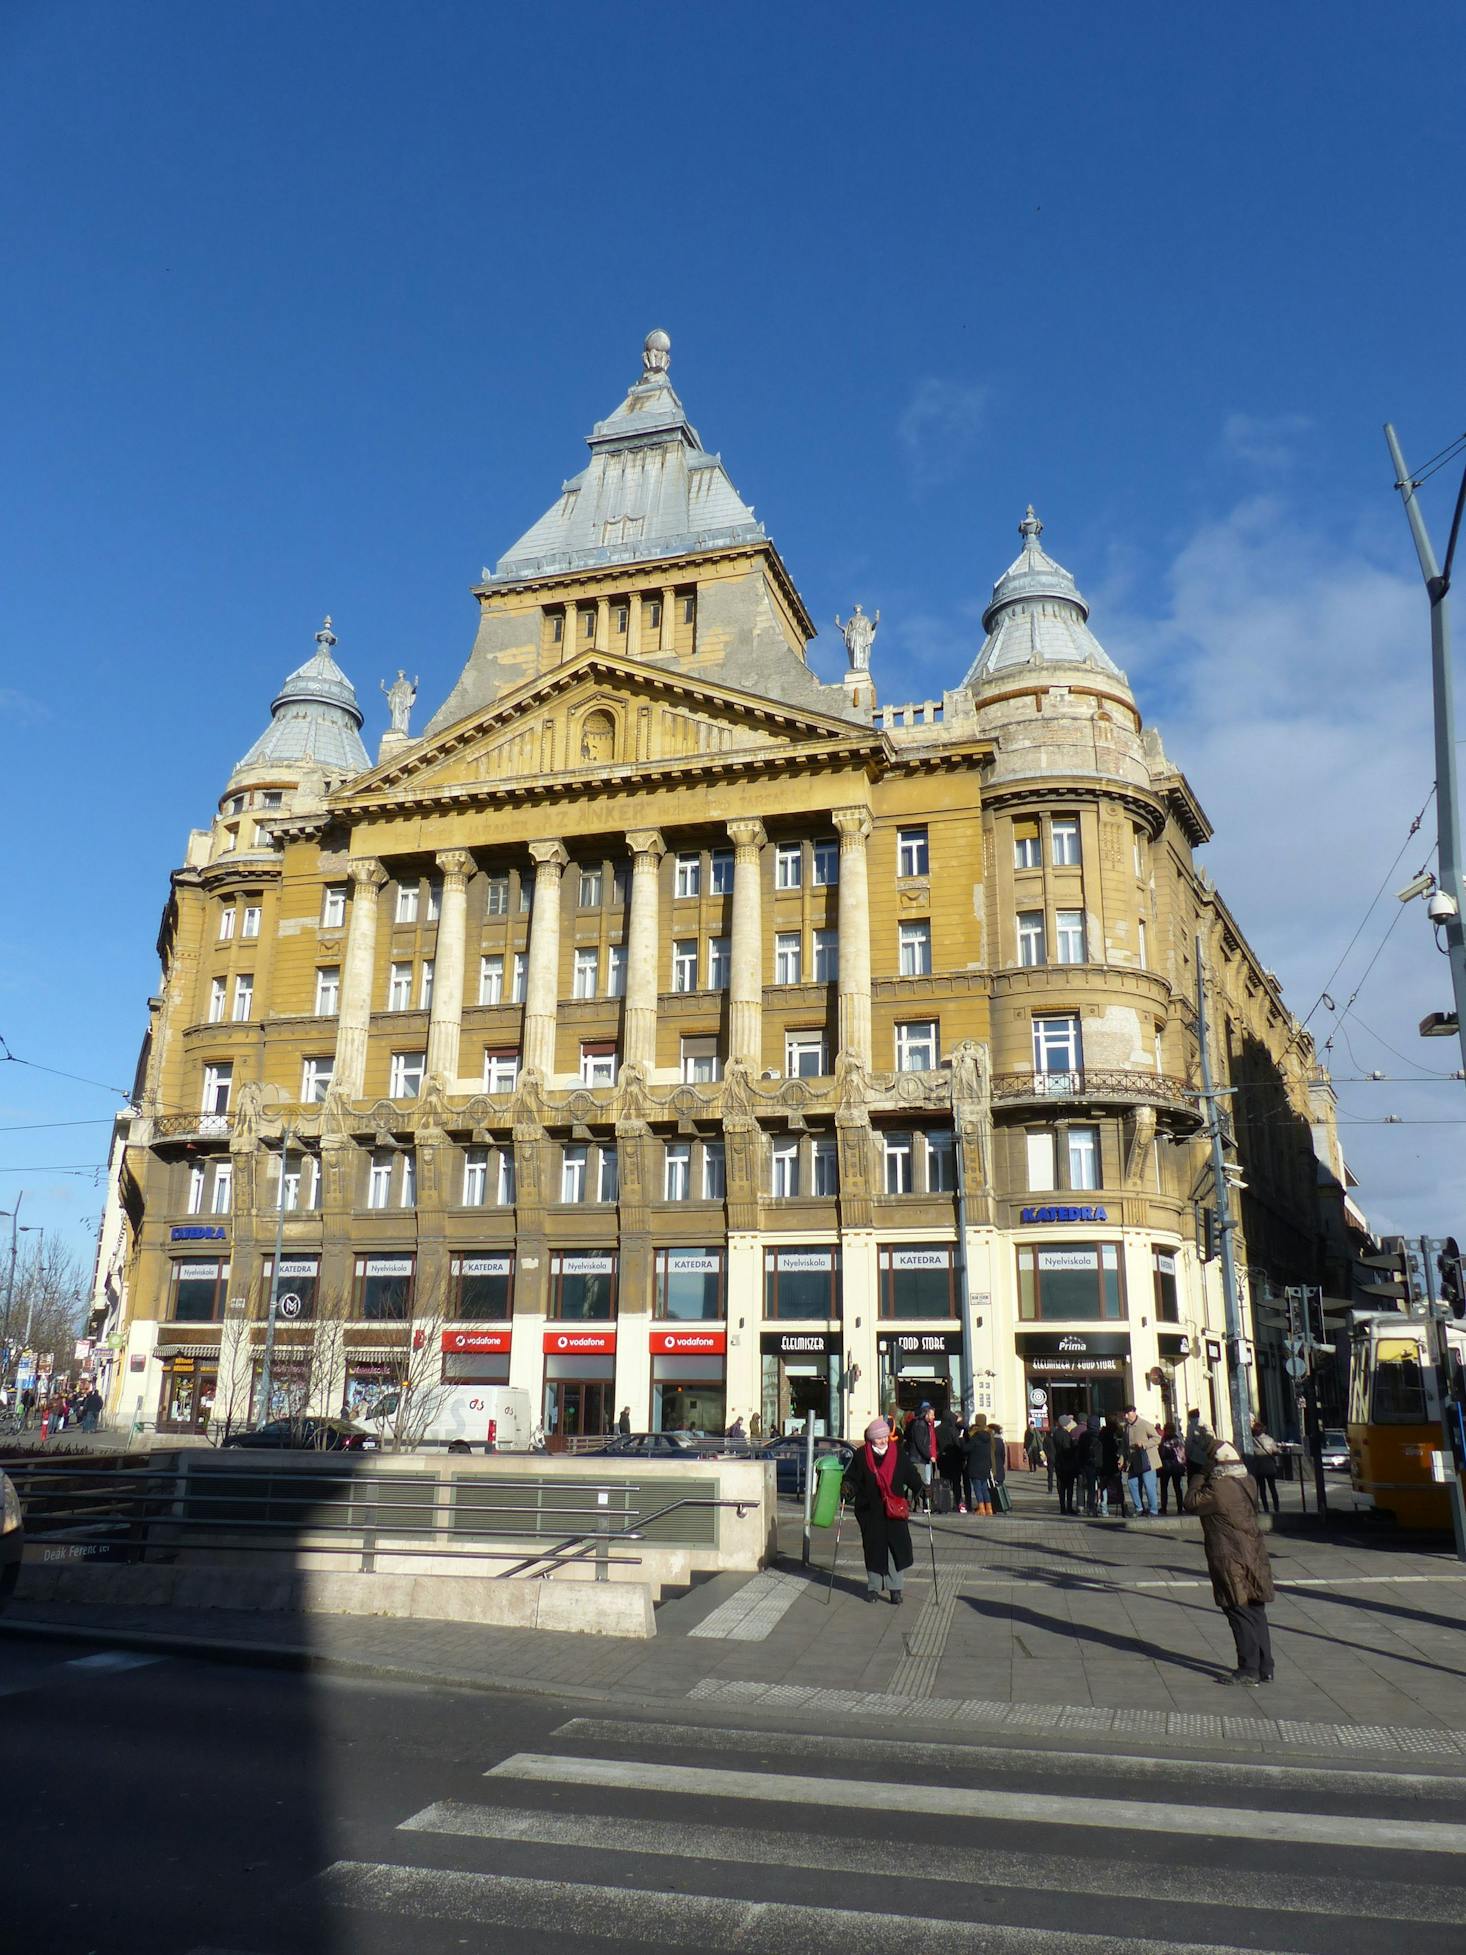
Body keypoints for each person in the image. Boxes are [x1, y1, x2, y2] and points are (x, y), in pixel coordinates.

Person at [1184, 1439, 1277, 1685]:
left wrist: (1198, 1474)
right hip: (1253, 1552)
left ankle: (1248, 1669)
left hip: (1230, 1555)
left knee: (1238, 1609)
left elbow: (1191, 1502)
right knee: (1256, 1608)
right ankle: (1265, 1666)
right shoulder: (1247, 1480)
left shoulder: (1219, 1488)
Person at [843, 1416, 923, 1605]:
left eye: (885, 1437)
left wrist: (921, 1488)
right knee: (873, 1549)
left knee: (896, 1549)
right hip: (870, 1511)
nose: (883, 1440)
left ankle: (895, 1589)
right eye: (878, 1438)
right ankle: (873, 1588)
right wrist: (847, 1488)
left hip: (894, 1510)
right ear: (871, 1439)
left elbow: (911, 1474)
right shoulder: (862, 1455)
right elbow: (853, 1478)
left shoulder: (897, 1453)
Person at [1123, 1404, 1162, 1517]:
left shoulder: (1145, 1424)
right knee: (1132, 1484)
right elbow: (1124, 1445)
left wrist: (1144, 1444)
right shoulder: (1126, 1427)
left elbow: (1157, 1438)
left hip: (1147, 1460)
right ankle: (1139, 1508)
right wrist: (1122, 1459)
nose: (1126, 1416)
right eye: (1125, 1414)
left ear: (1134, 1412)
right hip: (1133, 1460)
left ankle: (1153, 1510)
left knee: (1149, 1485)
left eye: (1128, 1413)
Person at [905, 1401, 938, 1514]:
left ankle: (916, 1504)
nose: (933, 1417)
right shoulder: (920, 1425)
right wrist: (929, 1456)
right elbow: (920, 1444)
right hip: (918, 1458)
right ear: (926, 1414)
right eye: (932, 1414)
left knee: (919, 1482)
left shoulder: (922, 1424)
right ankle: (918, 1505)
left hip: (919, 1457)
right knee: (921, 1482)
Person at [963, 1415, 994, 1516]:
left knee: (977, 1488)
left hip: (975, 1466)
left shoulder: (975, 1435)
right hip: (985, 1466)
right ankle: (989, 1509)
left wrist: (962, 1442)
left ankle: (981, 1509)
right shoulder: (989, 1435)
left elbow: (966, 1449)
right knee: (984, 1487)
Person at [1249, 1416, 1282, 1514]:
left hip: (1259, 1468)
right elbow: (1275, 1451)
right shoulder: (1270, 1440)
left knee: (1262, 1490)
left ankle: (1266, 1509)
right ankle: (1276, 1509)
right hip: (1270, 1467)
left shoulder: (1252, 1441)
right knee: (1273, 1489)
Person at [1052, 1412, 1081, 1514]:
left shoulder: (1055, 1434)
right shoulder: (1065, 1435)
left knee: (1061, 1487)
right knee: (1069, 1487)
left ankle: (1062, 1507)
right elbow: (1067, 1449)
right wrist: (1074, 1446)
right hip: (1067, 1464)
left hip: (1059, 1463)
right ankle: (1068, 1507)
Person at [936, 1406, 963, 1512]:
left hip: (942, 1459)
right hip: (954, 1459)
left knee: (944, 1482)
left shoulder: (937, 1429)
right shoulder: (953, 1430)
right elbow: (957, 1444)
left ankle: (944, 1504)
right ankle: (958, 1503)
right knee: (956, 1483)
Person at [1157, 1422, 1186, 1513]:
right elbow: (1182, 1454)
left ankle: (1164, 1507)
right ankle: (1180, 1507)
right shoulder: (1178, 1439)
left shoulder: (1164, 1440)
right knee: (1177, 1487)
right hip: (1176, 1466)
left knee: (1164, 1487)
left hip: (1166, 1466)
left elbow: (1162, 1453)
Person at [989, 1422, 1008, 1512]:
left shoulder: (991, 1441)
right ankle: (1002, 1505)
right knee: (999, 1486)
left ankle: (995, 1506)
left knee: (992, 1488)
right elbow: (1003, 1455)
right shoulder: (1000, 1441)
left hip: (993, 1468)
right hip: (1000, 1467)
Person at [1041, 1423, 1057, 1493]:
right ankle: (1050, 1489)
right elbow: (1044, 1448)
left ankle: (1051, 1489)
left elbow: (1044, 1448)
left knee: (1051, 1474)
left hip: (1052, 1458)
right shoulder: (1048, 1439)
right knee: (1051, 1474)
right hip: (1052, 1458)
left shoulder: (1047, 1438)